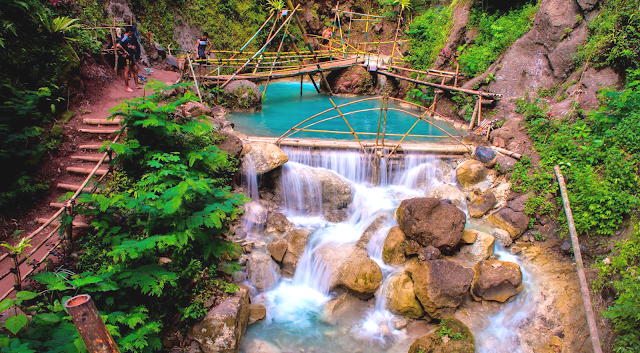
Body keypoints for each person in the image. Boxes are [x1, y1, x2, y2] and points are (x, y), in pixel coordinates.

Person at [116, 26, 140, 92]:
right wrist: (125, 51)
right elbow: (118, 45)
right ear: (129, 32)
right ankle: (127, 87)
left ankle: (137, 85)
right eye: (132, 32)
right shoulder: (124, 38)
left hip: (131, 56)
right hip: (127, 57)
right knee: (127, 70)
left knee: (135, 69)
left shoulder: (130, 38)